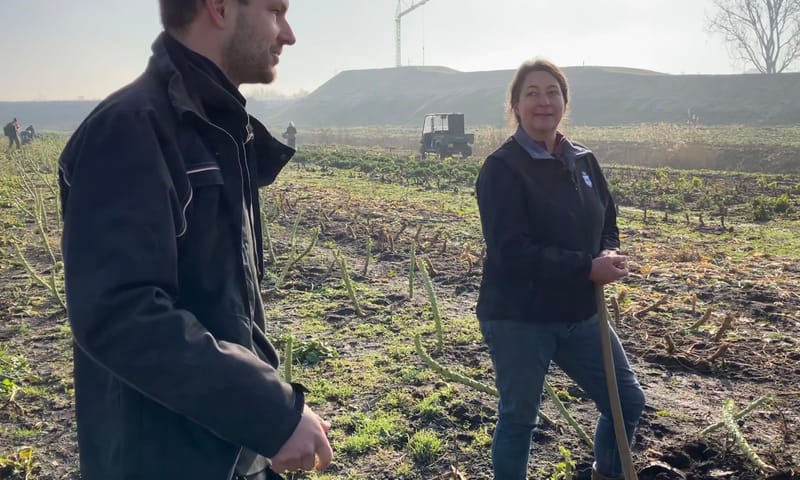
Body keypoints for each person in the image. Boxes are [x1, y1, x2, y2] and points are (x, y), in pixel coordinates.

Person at [57, 1, 332, 479]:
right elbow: (120, 312)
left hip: (223, 446)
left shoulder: (214, 130)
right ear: (221, 8)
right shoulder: (131, 129)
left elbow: (223, 305)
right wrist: (269, 412)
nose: (288, 35)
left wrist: (258, 427)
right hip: (163, 459)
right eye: (275, 11)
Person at [475, 59, 645, 480]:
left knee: (626, 400)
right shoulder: (502, 168)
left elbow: (607, 221)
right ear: (515, 104)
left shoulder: (583, 161)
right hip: (520, 317)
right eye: (531, 93)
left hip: (580, 314)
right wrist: (586, 269)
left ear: (564, 102)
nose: (543, 102)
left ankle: (606, 472)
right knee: (519, 419)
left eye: (552, 92)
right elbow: (511, 251)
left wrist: (608, 253)